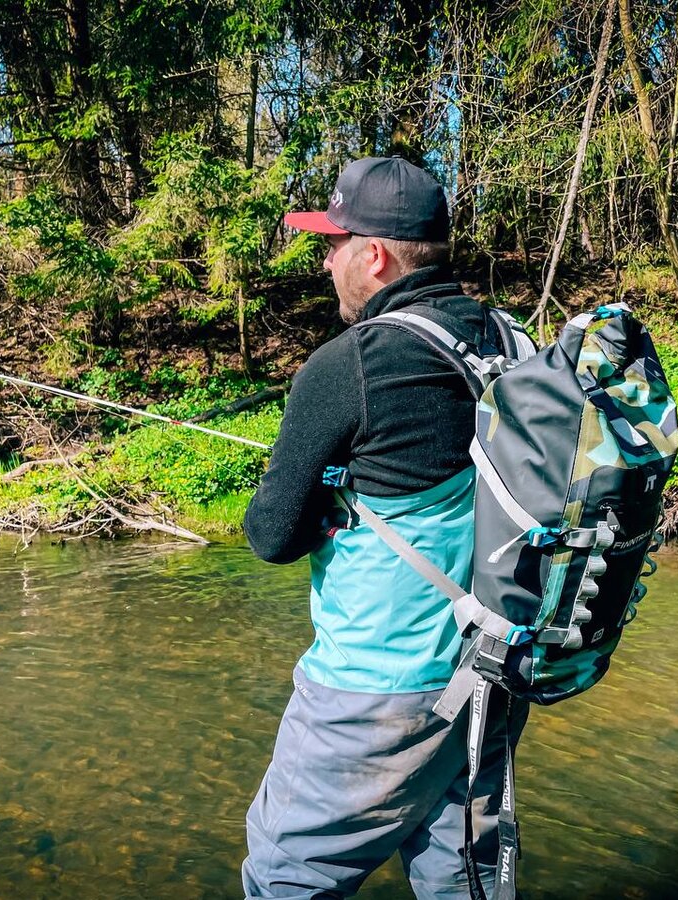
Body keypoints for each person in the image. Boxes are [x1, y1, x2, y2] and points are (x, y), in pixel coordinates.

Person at [241, 156, 529, 900]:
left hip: (372, 696)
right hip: (492, 679)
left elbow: (271, 536)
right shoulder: (510, 342)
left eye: (332, 243)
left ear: (374, 256)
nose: (325, 260)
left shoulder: (352, 365)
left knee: (284, 880)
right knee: (462, 885)